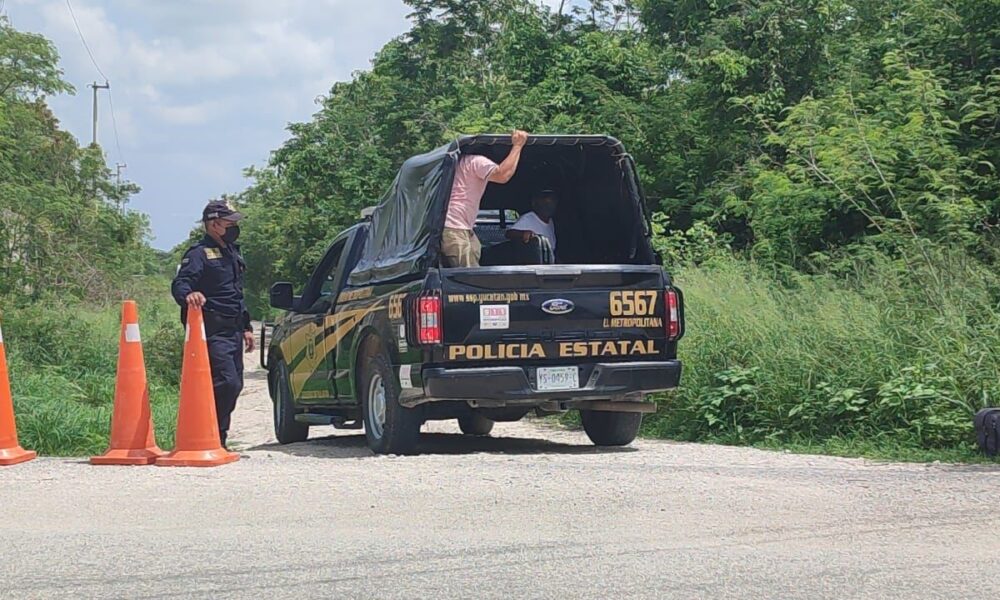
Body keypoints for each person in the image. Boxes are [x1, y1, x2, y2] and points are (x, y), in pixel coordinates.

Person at [171, 200, 254, 449]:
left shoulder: (231, 252)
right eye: (230, 223)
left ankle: (220, 438)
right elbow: (181, 283)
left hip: (233, 329)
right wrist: (189, 295)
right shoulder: (198, 254)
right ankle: (211, 435)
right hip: (212, 330)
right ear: (214, 224)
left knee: (235, 384)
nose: (234, 227)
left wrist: (247, 327)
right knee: (226, 382)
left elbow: (236, 293)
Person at [441, 129, 529, 267]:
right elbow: (502, 175)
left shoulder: (456, 162)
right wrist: (517, 146)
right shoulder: (475, 161)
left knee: (474, 255)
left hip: (458, 226)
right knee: (469, 279)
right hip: (456, 227)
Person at [506, 190, 558, 255]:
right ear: (535, 203)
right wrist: (524, 234)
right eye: (545, 204)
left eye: (551, 203)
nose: (549, 207)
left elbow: (551, 252)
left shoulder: (550, 222)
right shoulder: (528, 218)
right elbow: (509, 234)